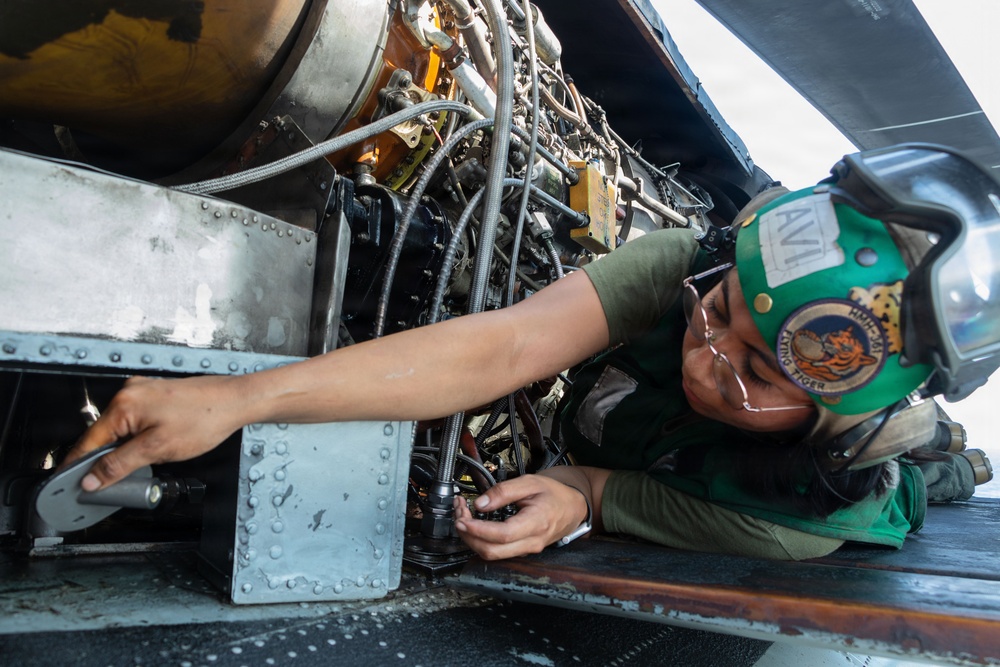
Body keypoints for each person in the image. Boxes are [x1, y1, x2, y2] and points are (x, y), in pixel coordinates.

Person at [64, 143, 999, 561]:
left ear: (836, 423)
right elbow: (507, 344)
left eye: (757, 372)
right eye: (715, 312)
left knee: (930, 481)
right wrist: (240, 399)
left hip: (828, 486)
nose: (706, 356)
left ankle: (958, 453)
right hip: (663, 437)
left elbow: (619, 494)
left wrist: (583, 492)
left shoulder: (797, 524)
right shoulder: (686, 263)